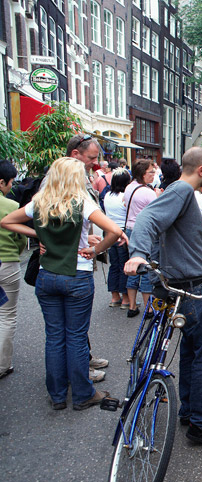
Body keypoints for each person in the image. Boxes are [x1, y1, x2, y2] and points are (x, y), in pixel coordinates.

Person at [124, 146, 202, 446]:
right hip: (195, 288)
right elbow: (148, 219)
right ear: (201, 170)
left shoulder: (176, 191)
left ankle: (192, 409)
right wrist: (137, 255)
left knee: (192, 351)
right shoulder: (182, 191)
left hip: (187, 286)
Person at [0, 157, 128, 410]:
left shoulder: (39, 202)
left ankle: (57, 395)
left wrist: (38, 234)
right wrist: (97, 249)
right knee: (77, 337)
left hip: (47, 276)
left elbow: (6, 222)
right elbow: (114, 231)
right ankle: (82, 394)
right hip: (77, 276)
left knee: (54, 336)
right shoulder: (82, 203)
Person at [66, 134, 109, 377]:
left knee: (73, 327)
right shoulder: (66, 181)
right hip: (73, 265)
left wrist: (86, 238)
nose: (96, 164)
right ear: (75, 155)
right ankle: (79, 371)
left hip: (76, 258)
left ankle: (83, 360)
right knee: (73, 326)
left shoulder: (80, 177)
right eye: (92, 158)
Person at [0, 160, 27, 379]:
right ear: (2, 183)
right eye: (10, 182)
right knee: (7, 315)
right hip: (6, 263)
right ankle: (2, 365)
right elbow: (20, 239)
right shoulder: (10, 206)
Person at [123, 159, 157, 318]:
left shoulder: (129, 187)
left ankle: (131, 305)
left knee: (132, 267)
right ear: (143, 174)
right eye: (151, 172)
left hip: (129, 229)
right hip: (143, 232)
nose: (153, 174)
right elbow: (157, 210)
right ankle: (149, 308)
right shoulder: (148, 192)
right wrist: (157, 195)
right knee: (145, 269)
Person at [103, 168, 132, 308]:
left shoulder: (108, 195)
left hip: (108, 232)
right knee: (124, 265)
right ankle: (126, 298)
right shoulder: (124, 197)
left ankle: (114, 296)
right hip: (122, 232)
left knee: (113, 265)